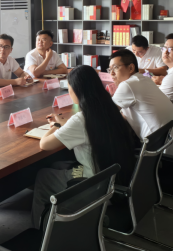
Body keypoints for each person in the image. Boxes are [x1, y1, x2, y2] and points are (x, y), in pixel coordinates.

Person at [31, 65, 137, 229]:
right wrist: (66, 124)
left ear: (76, 89)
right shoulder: (110, 108)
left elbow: (44, 144)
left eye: (69, 87)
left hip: (95, 186)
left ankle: (41, 229)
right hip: (116, 180)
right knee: (57, 165)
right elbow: (85, 129)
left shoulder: (82, 119)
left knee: (43, 176)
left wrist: (56, 126)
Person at [109, 49, 173, 156]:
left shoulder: (128, 85)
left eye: (115, 68)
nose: (111, 73)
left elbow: (106, 113)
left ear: (131, 68)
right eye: (110, 69)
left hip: (159, 153)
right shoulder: (144, 79)